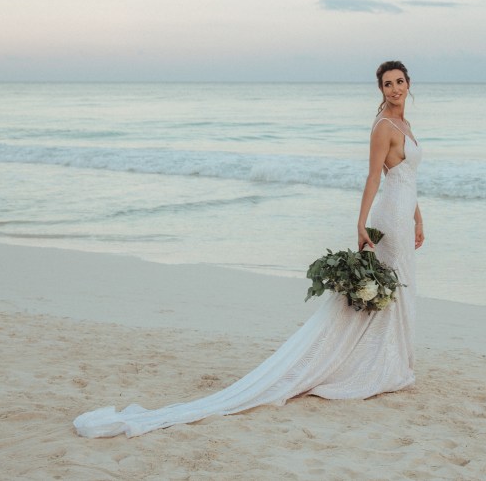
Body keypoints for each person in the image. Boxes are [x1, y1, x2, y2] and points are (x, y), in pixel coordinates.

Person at [73, 61, 424, 437]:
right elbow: (374, 177)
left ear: (408, 83)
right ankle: (376, 365)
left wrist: (419, 218)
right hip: (390, 218)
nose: (394, 89)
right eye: (387, 84)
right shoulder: (383, 127)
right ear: (380, 90)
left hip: (404, 215)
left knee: (396, 288)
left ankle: (389, 360)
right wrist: (360, 222)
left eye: (399, 82)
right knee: (391, 287)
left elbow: (405, 178)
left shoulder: (404, 124)